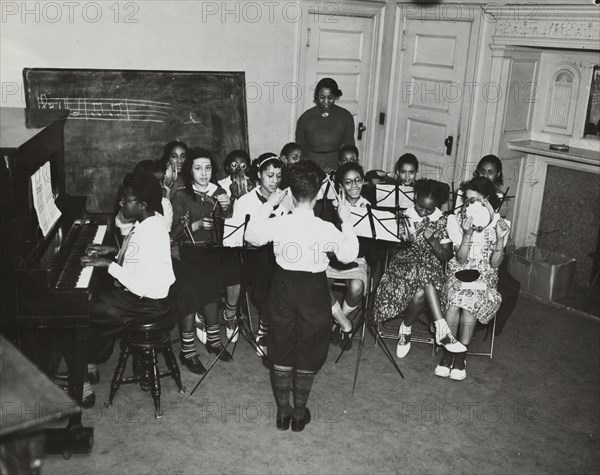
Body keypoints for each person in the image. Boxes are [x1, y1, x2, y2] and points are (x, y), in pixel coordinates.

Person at [245, 160, 359, 432]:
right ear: (320, 193)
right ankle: (298, 415)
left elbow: (251, 236)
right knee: (309, 350)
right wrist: (346, 219)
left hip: (283, 288)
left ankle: (282, 413)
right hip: (314, 291)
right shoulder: (325, 228)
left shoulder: (280, 223)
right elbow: (348, 255)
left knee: (281, 349)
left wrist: (269, 204)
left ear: (289, 193)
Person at [80, 171, 175, 407]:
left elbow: (139, 283)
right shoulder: (149, 221)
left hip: (147, 303)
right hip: (144, 296)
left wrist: (108, 264)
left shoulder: (151, 232)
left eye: (126, 199)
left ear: (142, 204)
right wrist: (111, 251)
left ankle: (79, 374)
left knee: (85, 309)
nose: (121, 202)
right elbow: (134, 254)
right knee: (96, 300)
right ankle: (90, 358)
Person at [372, 179, 467, 358]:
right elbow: (390, 252)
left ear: (437, 206)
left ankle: (406, 329)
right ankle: (442, 329)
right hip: (402, 270)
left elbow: (445, 257)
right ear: (415, 197)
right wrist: (403, 242)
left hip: (430, 270)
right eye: (420, 206)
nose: (422, 212)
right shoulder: (403, 215)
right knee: (424, 272)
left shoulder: (443, 221)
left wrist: (433, 243)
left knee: (422, 290)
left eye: (428, 209)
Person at [438, 177, 510, 380]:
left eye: (474, 200)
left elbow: (496, 264)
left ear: (486, 200)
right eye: (466, 200)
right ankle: (448, 352)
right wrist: (467, 234)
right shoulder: (455, 219)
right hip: (460, 270)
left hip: (485, 274)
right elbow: (460, 260)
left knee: (469, 303)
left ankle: (460, 356)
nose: (467, 205)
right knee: (453, 303)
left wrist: (500, 239)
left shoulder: (499, 223)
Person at [171, 149, 242, 346]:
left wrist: (227, 208)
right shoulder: (181, 195)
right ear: (190, 171)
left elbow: (227, 222)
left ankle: (229, 313)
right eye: (198, 168)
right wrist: (196, 225)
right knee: (205, 276)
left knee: (236, 268)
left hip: (215, 246)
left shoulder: (218, 191)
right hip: (191, 249)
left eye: (208, 168)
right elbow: (174, 233)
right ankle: (202, 315)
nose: (204, 173)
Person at [232, 153, 289, 356]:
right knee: (268, 268)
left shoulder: (285, 198)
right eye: (270, 175)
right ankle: (265, 325)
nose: (274, 181)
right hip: (250, 255)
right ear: (258, 174)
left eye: (278, 176)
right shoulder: (245, 201)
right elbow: (239, 238)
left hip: (279, 252)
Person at [326, 162, 372, 350]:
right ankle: (345, 323)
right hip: (331, 257)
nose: (354, 185)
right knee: (317, 284)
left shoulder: (368, 208)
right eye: (348, 182)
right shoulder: (330, 206)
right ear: (340, 185)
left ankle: (337, 322)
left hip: (356, 258)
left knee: (356, 287)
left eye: (358, 181)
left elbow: (368, 247)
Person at [296, 77, 355, 170]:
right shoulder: (306, 117)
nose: (326, 102)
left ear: (336, 96)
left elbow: (350, 147)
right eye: (322, 97)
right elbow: (300, 148)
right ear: (316, 96)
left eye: (330, 97)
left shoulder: (345, 116)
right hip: (311, 164)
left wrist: (341, 167)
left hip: (336, 163)